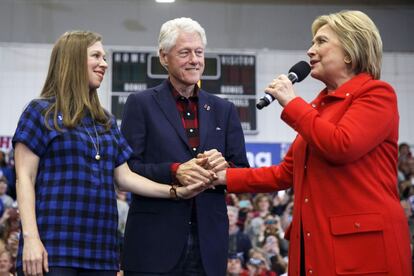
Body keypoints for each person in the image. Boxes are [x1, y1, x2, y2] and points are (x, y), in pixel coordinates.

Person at [213, 10, 412, 276]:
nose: (310, 51)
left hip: (363, 252)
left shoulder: (377, 94)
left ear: (350, 52)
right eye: (312, 43)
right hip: (317, 246)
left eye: (321, 42)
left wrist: (292, 103)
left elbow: (342, 145)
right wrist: (223, 177)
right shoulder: (320, 106)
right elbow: (284, 173)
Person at [12, 30, 207, 276]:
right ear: (72, 60)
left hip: (102, 252)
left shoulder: (105, 120)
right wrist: (30, 239)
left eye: (104, 57)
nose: (104, 63)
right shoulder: (40, 112)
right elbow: (24, 179)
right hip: (53, 248)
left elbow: (125, 177)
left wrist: (175, 192)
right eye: (96, 56)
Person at [120, 17, 249, 275]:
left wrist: (221, 169)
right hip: (152, 243)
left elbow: (241, 170)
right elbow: (128, 168)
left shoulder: (224, 110)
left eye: (199, 52)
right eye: (185, 52)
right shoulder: (140, 104)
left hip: (208, 244)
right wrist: (175, 170)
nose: (194, 60)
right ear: (163, 57)